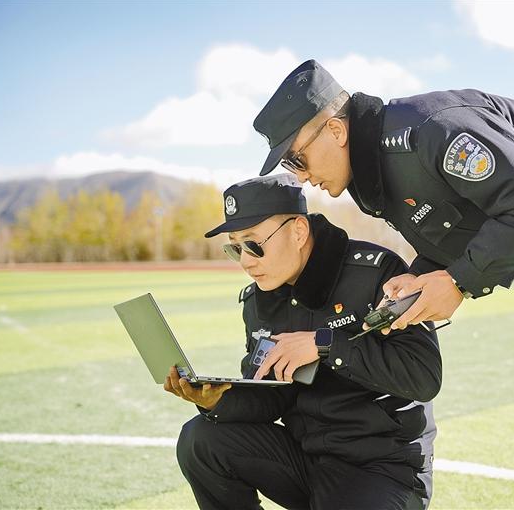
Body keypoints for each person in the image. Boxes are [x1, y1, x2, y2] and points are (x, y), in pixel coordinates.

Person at [253, 60, 514, 510]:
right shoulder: (374, 173)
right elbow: (455, 229)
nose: (299, 175)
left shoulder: (432, 131)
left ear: (335, 130)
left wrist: (458, 282)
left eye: (296, 158)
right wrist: (423, 272)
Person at [166, 173, 441, 510]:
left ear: (298, 231)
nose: (246, 261)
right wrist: (216, 401)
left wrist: (325, 345)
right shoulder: (259, 300)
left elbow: (423, 377)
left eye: (253, 244)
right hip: (307, 459)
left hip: (382, 467)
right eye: (235, 248)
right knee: (201, 439)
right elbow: (272, 395)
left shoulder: (378, 274)